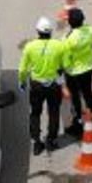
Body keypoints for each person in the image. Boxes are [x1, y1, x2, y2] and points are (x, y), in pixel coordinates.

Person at [19, 17, 67, 155]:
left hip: (37, 85)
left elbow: (22, 69)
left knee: (35, 113)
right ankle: (51, 140)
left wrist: (22, 82)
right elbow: (65, 64)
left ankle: (37, 143)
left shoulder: (30, 46)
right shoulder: (59, 45)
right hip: (54, 85)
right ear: (51, 31)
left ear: (37, 31)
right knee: (54, 112)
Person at [61, 8, 92, 135]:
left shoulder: (68, 39)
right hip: (88, 67)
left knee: (75, 96)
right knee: (88, 92)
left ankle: (78, 120)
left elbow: (66, 58)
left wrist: (64, 69)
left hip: (74, 72)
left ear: (70, 22)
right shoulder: (91, 30)